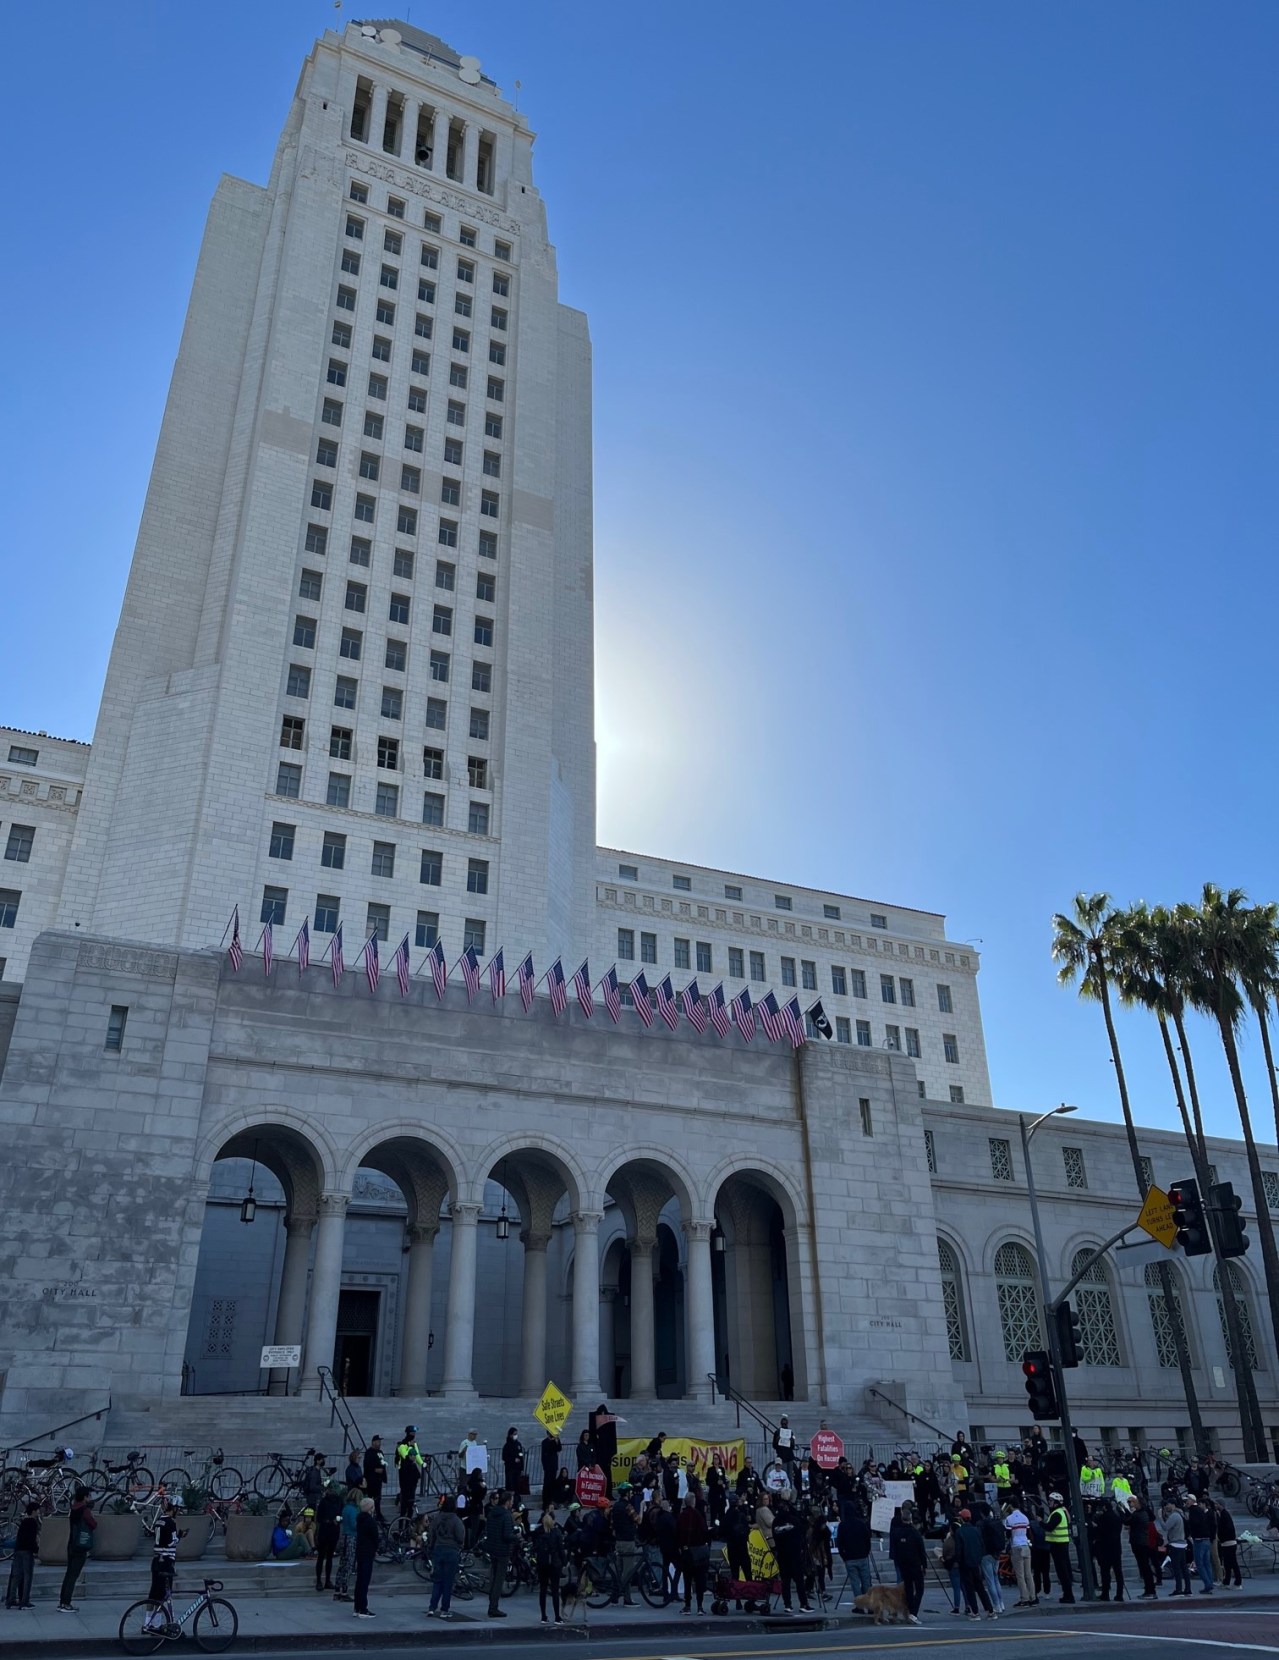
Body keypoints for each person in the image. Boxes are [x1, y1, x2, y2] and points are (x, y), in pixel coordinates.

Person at [142, 1501, 184, 1633]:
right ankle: (156, 1625)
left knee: (153, 1593)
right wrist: (179, 1536)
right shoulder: (171, 1523)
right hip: (166, 1561)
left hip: (156, 1560)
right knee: (163, 1595)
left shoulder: (159, 1521)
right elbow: (171, 1542)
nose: (179, 1511)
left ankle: (147, 1622)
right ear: (174, 1509)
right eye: (178, 1509)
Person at [426, 1495, 466, 1620]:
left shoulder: (437, 1519)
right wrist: (460, 1545)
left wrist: (431, 1547)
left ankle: (432, 1608)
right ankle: (444, 1609)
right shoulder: (456, 1520)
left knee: (437, 1580)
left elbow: (431, 1534)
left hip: (438, 1550)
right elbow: (460, 1536)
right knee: (448, 1582)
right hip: (451, 1550)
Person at [772, 1491, 811, 1615]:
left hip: (782, 1554)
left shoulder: (775, 1522)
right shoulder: (794, 1520)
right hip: (794, 1554)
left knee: (785, 1581)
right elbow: (804, 1528)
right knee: (799, 1580)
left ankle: (787, 1604)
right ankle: (803, 1603)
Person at [58, 1485, 96, 1612]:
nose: (90, 1498)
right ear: (85, 1497)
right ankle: (67, 1603)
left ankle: (62, 1602)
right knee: (73, 1576)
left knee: (68, 1574)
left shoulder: (73, 1508)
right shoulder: (85, 1510)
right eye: (89, 1495)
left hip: (71, 1544)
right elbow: (93, 1524)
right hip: (81, 1545)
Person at [955, 1510, 995, 1620]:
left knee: (969, 1589)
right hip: (976, 1563)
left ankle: (975, 1612)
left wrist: (958, 1561)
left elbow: (958, 1549)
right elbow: (982, 1546)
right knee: (980, 1587)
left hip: (965, 1563)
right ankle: (990, 1610)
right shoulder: (976, 1530)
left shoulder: (959, 1531)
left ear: (961, 1519)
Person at [531, 1506, 568, 1625]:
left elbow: (535, 1547)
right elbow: (561, 1549)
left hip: (542, 1563)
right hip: (554, 1564)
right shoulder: (556, 1533)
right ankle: (557, 1617)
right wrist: (564, 1561)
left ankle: (543, 1616)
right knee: (555, 1590)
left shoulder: (538, 1533)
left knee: (543, 1589)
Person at [677, 1491, 711, 1614]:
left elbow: (678, 1533)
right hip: (698, 1552)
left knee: (687, 1580)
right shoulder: (698, 1515)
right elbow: (704, 1532)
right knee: (699, 1580)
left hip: (686, 1552)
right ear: (693, 1502)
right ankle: (700, 1607)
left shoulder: (681, 1516)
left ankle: (687, 1606)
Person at [485, 1489, 516, 1618]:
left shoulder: (492, 1513)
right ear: (508, 1502)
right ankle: (494, 1606)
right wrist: (516, 1536)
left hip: (492, 1549)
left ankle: (491, 1602)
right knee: (499, 1580)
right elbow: (507, 1535)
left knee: (493, 1577)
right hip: (503, 1550)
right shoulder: (506, 1515)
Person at [894, 1507, 927, 1625]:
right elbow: (921, 1551)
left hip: (903, 1564)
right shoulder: (915, 1533)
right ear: (911, 1519)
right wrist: (924, 1564)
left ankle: (910, 1611)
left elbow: (895, 1549)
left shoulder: (897, 1532)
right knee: (919, 1589)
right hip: (915, 1564)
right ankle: (913, 1612)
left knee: (908, 1588)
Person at [610, 1482, 640, 1604]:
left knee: (619, 1571)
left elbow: (612, 1523)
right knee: (628, 1572)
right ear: (627, 1493)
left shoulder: (615, 1506)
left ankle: (615, 1597)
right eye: (630, 1492)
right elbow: (638, 1520)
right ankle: (626, 1598)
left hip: (618, 1541)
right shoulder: (628, 1506)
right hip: (628, 1541)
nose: (632, 1494)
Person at [836, 1503, 873, 1602]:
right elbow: (867, 1539)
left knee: (855, 1582)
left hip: (850, 1558)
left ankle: (859, 1604)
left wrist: (844, 1556)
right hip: (862, 1556)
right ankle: (869, 1604)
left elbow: (839, 1543)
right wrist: (866, 1552)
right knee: (866, 1581)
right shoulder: (861, 1524)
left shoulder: (842, 1525)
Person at [5, 1503, 39, 1609]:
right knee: (27, 1577)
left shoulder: (24, 1522)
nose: (39, 1512)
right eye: (38, 1510)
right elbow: (31, 1539)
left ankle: (10, 1599)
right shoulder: (33, 1523)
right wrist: (36, 1550)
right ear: (33, 1511)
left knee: (15, 1576)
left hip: (18, 1550)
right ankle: (24, 1601)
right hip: (27, 1552)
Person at [1044, 1492, 1075, 1603]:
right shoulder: (1063, 1511)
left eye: (1051, 1501)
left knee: (1062, 1572)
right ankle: (1067, 1594)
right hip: (1062, 1543)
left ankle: (1068, 1595)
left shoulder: (1057, 1513)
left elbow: (1050, 1527)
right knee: (1064, 1570)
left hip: (1058, 1545)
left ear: (1056, 1503)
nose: (1049, 1503)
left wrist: (1040, 1523)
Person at [1092, 1501, 1125, 1602]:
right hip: (1116, 1547)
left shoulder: (1103, 1518)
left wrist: (1095, 1527)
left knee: (1105, 1572)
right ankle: (1119, 1594)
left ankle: (1105, 1594)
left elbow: (1100, 1532)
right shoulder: (1116, 1517)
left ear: (1104, 1508)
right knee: (1118, 1572)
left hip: (1105, 1548)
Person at [1126, 1496, 1158, 1598]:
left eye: (1133, 1502)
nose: (1132, 1504)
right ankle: (1150, 1589)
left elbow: (1128, 1521)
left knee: (1144, 1567)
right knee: (1145, 1567)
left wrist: (1123, 1511)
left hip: (1139, 1542)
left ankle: (1150, 1590)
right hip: (1143, 1541)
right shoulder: (1144, 1513)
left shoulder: (1138, 1514)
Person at [1003, 1500, 1033, 1607]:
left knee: (1020, 1576)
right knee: (1028, 1574)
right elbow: (1029, 1532)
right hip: (1025, 1545)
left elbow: (1008, 1534)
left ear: (1011, 1506)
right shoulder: (1025, 1518)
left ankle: (1024, 1598)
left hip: (1016, 1546)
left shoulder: (1009, 1519)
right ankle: (1033, 1597)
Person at [352, 1496, 378, 1618]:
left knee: (360, 1580)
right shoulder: (370, 1521)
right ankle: (363, 1608)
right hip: (368, 1552)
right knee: (365, 1581)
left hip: (360, 1551)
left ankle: (357, 1607)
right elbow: (375, 1537)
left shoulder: (359, 1519)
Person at [315, 1481, 343, 1592]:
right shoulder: (324, 1502)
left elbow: (342, 1514)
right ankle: (318, 1581)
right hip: (324, 1530)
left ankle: (327, 1580)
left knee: (330, 1556)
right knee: (321, 1556)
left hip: (334, 1530)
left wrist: (339, 1520)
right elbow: (318, 1518)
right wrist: (329, 1520)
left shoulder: (339, 1501)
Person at [333, 1487, 359, 1602]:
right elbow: (354, 1525)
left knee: (342, 1565)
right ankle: (344, 1591)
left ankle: (337, 1591)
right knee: (349, 1564)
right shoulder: (353, 1510)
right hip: (351, 1538)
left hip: (343, 1537)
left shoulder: (345, 1508)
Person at [978, 1506, 1006, 1613]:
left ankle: (996, 1605)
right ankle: (1001, 1603)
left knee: (990, 1581)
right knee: (996, 1579)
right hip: (997, 1553)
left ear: (981, 1513)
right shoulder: (996, 1522)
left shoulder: (981, 1524)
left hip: (986, 1554)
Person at [1186, 1497, 1215, 1595]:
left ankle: (1207, 1584)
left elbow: (1194, 1524)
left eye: (1187, 1500)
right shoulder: (1201, 1511)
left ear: (1192, 1501)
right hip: (1206, 1538)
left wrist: (1191, 1532)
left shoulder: (1193, 1511)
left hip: (1199, 1540)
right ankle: (1210, 1583)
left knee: (1200, 1563)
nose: (1186, 1502)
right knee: (1207, 1563)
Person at [1163, 1500, 1191, 1596]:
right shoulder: (1181, 1514)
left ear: (1173, 1504)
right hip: (1182, 1543)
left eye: (1167, 1504)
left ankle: (1178, 1589)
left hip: (1176, 1544)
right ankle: (1188, 1589)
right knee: (1183, 1568)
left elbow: (1165, 1527)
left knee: (1177, 1568)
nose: (1166, 1506)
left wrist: (1159, 1517)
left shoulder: (1174, 1515)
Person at [396, 1426, 424, 1520]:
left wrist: (422, 1463)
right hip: (404, 1474)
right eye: (412, 1433)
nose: (413, 1435)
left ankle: (409, 1522)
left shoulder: (413, 1444)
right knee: (404, 1503)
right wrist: (410, 1446)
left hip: (412, 1476)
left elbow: (417, 1455)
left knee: (411, 1502)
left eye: (414, 1434)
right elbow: (405, 1456)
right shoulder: (402, 1445)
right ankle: (401, 1526)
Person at [1215, 1500, 1241, 1588]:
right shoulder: (1223, 1514)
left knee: (1233, 1563)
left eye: (1217, 1504)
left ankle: (1238, 1582)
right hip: (1227, 1543)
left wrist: (1221, 1537)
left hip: (1228, 1542)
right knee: (1227, 1564)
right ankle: (1226, 1581)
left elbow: (1226, 1529)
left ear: (1220, 1505)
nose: (1215, 1505)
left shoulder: (1224, 1515)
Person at [363, 1437, 387, 1520]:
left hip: (378, 1480)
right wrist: (375, 1470)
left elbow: (382, 1462)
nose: (379, 1443)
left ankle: (378, 1514)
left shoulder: (380, 1452)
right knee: (370, 1498)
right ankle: (369, 1514)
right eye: (377, 1442)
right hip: (370, 1480)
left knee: (378, 1499)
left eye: (379, 1442)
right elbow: (367, 1466)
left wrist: (383, 1473)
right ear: (373, 1442)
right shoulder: (369, 1453)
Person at [540, 1431, 562, 1510]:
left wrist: (557, 1440)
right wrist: (545, 1466)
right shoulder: (545, 1442)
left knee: (552, 1484)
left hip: (554, 1466)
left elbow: (559, 1448)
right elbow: (546, 1452)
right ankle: (545, 1502)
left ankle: (551, 1501)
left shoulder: (555, 1441)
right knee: (547, 1484)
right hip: (548, 1467)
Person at [502, 1427, 526, 1496]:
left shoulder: (518, 1444)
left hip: (517, 1469)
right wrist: (513, 1460)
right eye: (514, 1434)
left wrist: (522, 1468)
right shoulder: (507, 1446)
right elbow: (504, 1457)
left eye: (516, 1434)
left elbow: (521, 1456)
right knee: (510, 1485)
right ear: (510, 1435)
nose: (516, 1435)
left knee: (517, 1486)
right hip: (510, 1469)